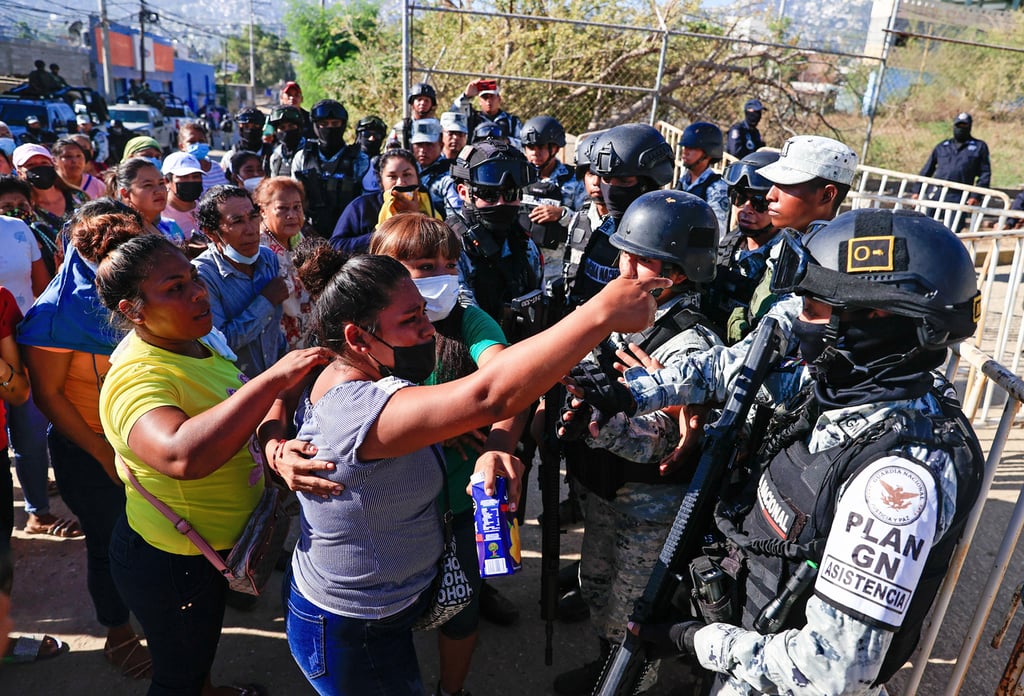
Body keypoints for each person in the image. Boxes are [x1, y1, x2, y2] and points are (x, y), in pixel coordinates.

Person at [264, 244, 667, 695]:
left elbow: (281, 395)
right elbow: (490, 395)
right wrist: (600, 313)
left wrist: (273, 443)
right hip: (351, 628)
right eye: (411, 320)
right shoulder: (359, 409)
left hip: (382, 607)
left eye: (423, 312)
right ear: (358, 338)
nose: (427, 330)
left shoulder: (350, 365)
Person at [622, 207, 983, 696]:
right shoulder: (847, 386)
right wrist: (628, 394)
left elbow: (830, 670)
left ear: (874, 318)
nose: (796, 322)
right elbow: (734, 371)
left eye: (812, 308)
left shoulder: (899, 475)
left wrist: (695, 640)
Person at [96, 233, 331, 696]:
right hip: (173, 562)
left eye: (193, 277)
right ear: (133, 310)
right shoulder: (138, 377)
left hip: (211, 550)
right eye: (174, 288)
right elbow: (181, 454)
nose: (198, 292)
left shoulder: (197, 343)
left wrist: (273, 443)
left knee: (197, 652)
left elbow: (239, 412)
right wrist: (271, 382)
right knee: (177, 674)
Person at [552, 191, 723, 696]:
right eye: (624, 252)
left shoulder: (689, 343)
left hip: (649, 505)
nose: (624, 266)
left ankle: (628, 681)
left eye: (642, 259)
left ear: (681, 272)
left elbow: (667, 443)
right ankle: (607, 665)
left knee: (632, 608)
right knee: (598, 584)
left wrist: (601, 422)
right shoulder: (628, 312)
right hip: (607, 489)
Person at [371, 214, 525, 696]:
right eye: (423, 265)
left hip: (460, 506)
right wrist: (452, 419)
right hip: (390, 512)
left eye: (449, 263)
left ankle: (451, 691)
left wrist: (496, 444)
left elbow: (509, 383)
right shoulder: (364, 331)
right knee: (386, 614)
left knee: (462, 612)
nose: (441, 275)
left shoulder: (469, 320)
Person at [18, 200, 152, 680]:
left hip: (149, 442)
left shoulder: (141, 290)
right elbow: (51, 398)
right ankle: (118, 635)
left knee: (152, 540)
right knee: (108, 542)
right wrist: (103, 453)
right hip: (91, 451)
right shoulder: (55, 316)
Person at [562, 124, 674, 308]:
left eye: (623, 181)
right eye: (606, 179)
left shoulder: (668, 233)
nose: (611, 190)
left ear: (650, 182)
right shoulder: (605, 227)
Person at [447, 139, 541, 336]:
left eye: (510, 194)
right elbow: (463, 315)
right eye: (488, 194)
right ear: (464, 193)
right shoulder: (449, 247)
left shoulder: (525, 244)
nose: (500, 203)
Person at [193, 185, 287, 379]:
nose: (251, 230)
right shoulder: (203, 276)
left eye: (253, 217)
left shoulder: (267, 258)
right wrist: (266, 301)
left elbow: (274, 330)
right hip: (235, 387)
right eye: (237, 222)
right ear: (211, 232)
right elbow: (221, 343)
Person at [707, 150, 783, 344]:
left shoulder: (785, 261)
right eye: (739, 198)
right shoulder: (727, 244)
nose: (746, 208)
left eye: (759, 203)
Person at [329, 148, 438, 254]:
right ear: (381, 180)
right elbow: (336, 244)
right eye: (392, 176)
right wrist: (383, 235)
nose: (400, 182)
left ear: (418, 178)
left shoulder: (432, 207)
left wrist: (416, 217)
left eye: (407, 175)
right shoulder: (362, 207)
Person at [290, 99, 369, 239]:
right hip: (309, 236)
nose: (329, 128)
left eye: (335, 124)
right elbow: (293, 199)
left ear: (343, 125)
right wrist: (304, 226)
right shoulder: (302, 157)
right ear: (315, 126)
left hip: (349, 236)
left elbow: (367, 204)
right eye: (323, 124)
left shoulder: (359, 159)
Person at [254, 177, 314, 350]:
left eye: (297, 207)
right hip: (279, 347)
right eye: (282, 208)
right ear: (263, 211)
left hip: (308, 338)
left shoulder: (298, 239)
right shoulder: (258, 249)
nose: (292, 215)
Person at [519, 115, 582, 249]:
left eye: (541, 147)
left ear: (555, 148)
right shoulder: (517, 176)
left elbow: (588, 221)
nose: (535, 153)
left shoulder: (574, 179)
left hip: (556, 261)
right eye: (530, 147)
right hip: (520, 254)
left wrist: (562, 214)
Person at [915, 112, 991, 219]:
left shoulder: (979, 147)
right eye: (958, 125)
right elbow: (927, 169)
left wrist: (976, 196)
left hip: (960, 195)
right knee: (927, 226)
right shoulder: (942, 146)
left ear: (970, 127)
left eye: (964, 126)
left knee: (953, 229)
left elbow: (985, 174)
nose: (961, 128)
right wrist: (917, 190)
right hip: (936, 193)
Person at [113, 157, 187, 247]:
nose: (159, 191)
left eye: (161, 183)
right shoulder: (122, 237)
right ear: (125, 194)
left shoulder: (169, 226)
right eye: (148, 185)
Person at [676, 121, 729, 236]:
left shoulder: (717, 187)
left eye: (692, 148)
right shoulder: (683, 181)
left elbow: (717, 232)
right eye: (685, 147)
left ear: (708, 153)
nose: (685, 152)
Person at [13, 143, 87, 222]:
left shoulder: (77, 196)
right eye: (31, 165)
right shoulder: (25, 209)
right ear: (20, 173)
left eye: (44, 162)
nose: (40, 168)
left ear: (53, 165)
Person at [453, 79, 522, 147]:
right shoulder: (471, 118)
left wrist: (507, 141)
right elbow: (451, 117)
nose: (488, 101)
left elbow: (523, 144)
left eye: (492, 97)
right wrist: (466, 96)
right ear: (479, 101)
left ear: (499, 99)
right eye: (485, 97)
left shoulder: (512, 121)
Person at [410, 118, 457, 215]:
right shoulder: (407, 172)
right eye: (418, 145)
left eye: (429, 144)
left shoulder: (449, 176)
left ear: (441, 145)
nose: (423, 150)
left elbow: (456, 217)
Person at [161, 151, 205, 245]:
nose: (191, 181)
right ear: (167, 181)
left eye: (196, 176)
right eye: (184, 177)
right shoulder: (161, 216)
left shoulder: (206, 208)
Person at [178, 123, 229, 193]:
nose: (198, 145)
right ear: (181, 146)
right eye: (192, 142)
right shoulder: (180, 171)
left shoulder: (216, 167)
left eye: (201, 141)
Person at [220, 107, 272, 175]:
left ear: (262, 127)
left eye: (255, 126)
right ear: (240, 128)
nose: (250, 130)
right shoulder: (230, 156)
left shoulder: (272, 154)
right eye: (246, 126)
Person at [267, 106, 305, 178]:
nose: (287, 131)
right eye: (282, 128)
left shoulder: (311, 153)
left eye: (291, 126)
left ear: (299, 128)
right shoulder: (276, 156)